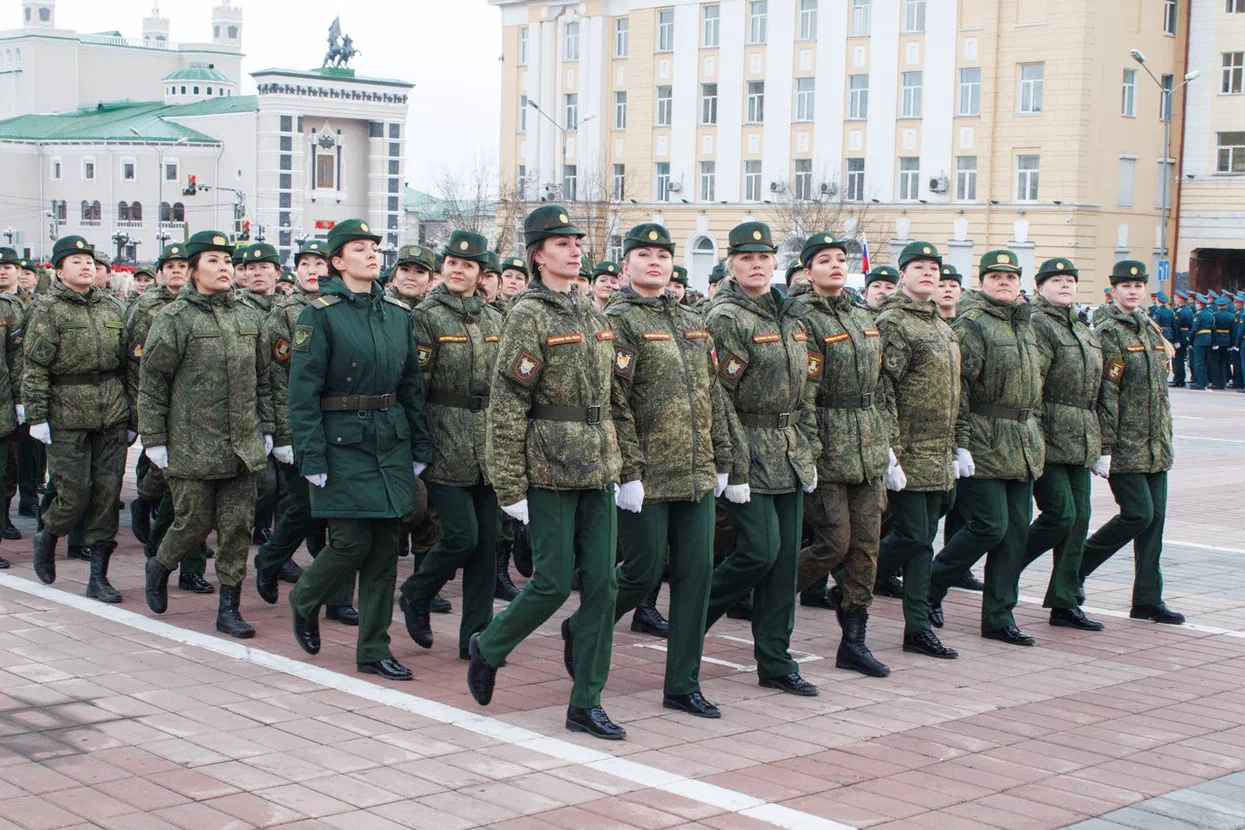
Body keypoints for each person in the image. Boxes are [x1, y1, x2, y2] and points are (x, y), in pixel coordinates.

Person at [468, 205, 624, 739]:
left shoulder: (593, 312)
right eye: (560, 243)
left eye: (576, 242)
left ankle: (586, 701)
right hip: (551, 466)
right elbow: (508, 403)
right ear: (538, 254)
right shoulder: (527, 314)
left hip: (599, 465)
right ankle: (489, 645)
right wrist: (509, 484)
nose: (574, 249)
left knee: (602, 585)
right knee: (554, 583)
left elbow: (613, 397)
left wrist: (624, 466)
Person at [563, 223, 731, 716]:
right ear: (625, 265)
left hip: (696, 470)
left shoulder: (691, 319)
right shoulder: (617, 320)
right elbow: (615, 401)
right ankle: (584, 627)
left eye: (662, 254)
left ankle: (683, 682)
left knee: (696, 576)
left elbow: (712, 393)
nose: (654, 262)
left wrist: (725, 459)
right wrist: (630, 470)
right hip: (649, 473)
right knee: (640, 572)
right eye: (644, 254)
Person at [286, 219, 431, 679]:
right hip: (341, 441)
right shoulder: (320, 314)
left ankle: (373, 648)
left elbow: (410, 385)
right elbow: (302, 392)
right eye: (359, 248)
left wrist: (419, 444)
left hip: (388, 440)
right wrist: (311, 455)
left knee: (386, 550)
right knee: (349, 543)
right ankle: (306, 597)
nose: (371, 254)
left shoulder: (395, 314)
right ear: (337, 261)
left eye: (374, 247)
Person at [703, 221, 820, 697]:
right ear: (732, 263)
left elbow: (807, 387)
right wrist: (728, 461)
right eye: (746, 257)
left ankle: (775, 660)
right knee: (758, 551)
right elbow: (718, 396)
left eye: (764, 257)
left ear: (776, 262)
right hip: (748, 448)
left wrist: (808, 447)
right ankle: (693, 617)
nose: (756, 265)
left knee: (784, 564)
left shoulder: (790, 315)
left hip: (789, 451)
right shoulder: (726, 318)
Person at [140, 231, 275, 636]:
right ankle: (160, 565)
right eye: (213, 261)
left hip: (242, 445)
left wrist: (267, 427)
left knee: (236, 529)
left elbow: (264, 379)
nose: (224, 269)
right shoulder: (174, 319)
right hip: (192, 443)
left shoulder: (248, 316)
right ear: (194, 269)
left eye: (227, 262)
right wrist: (154, 439)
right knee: (192, 524)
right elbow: (153, 381)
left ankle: (229, 608)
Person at [789, 233, 894, 679]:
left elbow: (881, 387)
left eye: (840, 259)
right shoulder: (800, 317)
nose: (835, 266)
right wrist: (807, 450)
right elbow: (804, 390)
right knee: (834, 542)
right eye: (824, 260)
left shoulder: (862, 315)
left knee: (867, 548)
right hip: (828, 448)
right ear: (807, 269)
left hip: (867, 447)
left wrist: (889, 445)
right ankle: (768, 594)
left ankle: (854, 640)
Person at [929, 249, 1045, 647]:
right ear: (981, 282)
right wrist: (960, 444)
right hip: (983, 438)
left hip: (1022, 442)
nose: (1004, 283)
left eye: (1011, 277)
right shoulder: (973, 324)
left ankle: (999, 616)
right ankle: (930, 584)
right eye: (995, 277)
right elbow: (957, 391)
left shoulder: (1026, 325)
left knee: (1014, 536)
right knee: (989, 526)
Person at [398, 230, 503, 661]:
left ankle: (475, 638)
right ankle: (415, 593)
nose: (458, 270)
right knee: (461, 537)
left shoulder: (496, 319)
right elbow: (413, 387)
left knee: (488, 544)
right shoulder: (425, 316)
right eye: (452, 264)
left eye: (468, 266)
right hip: (443, 437)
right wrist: (417, 445)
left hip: (488, 443)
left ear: (481, 275)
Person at [256, 239, 358, 623]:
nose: (313, 269)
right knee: (305, 509)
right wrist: (283, 435)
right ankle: (270, 560)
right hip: (303, 427)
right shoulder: (287, 314)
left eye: (320, 262)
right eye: (305, 263)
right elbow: (280, 381)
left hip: (344, 424)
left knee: (344, 517)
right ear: (294, 270)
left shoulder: (345, 307)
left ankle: (339, 598)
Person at [1078, 261, 1184, 624]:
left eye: (1138, 285)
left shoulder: (1150, 327)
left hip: (1156, 445)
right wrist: (1105, 447)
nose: (1133, 291)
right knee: (1138, 514)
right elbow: (1106, 395)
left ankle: (1147, 599)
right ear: (1113, 291)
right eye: (1126, 285)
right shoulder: (1108, 331)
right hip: (1125, 444)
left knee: (1154, 524)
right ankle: (1076, 568)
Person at [26, 236, 129, 599]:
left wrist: (131, 415)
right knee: (74, 494)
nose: (86, 266)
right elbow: (35, 367)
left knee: (106, 494)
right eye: (75, 261)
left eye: (89, 260)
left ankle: (98, 577)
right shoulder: (48, 309)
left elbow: (128, 364)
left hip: (112, 410)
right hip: (66, 412)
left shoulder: (113, 307)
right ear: (59, 271)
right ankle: (49, 534)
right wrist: (37, 416)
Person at [873, 242, 960, 660]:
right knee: (911, 535)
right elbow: (883, 389)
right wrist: (889, 449)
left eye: (933, 268)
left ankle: (918, 626)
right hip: (907, 449)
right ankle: (855, 574)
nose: (928, 273)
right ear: (902, 275)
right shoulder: (893, 322)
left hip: (938, 450)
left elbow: (955, 393)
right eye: (918, 267)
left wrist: (958, 444)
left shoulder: (941, 324)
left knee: (925, 539)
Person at [124, 242, 215, 593]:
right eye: (170, 265)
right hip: (170, 414)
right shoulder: (149, 309)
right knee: (176, 496)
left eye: (182, 264)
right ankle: (157, 537)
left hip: (208, 417)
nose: (176, 270)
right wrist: (146, 422)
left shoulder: (218, 304)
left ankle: (187, 566)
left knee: (187, 503)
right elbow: (139, 365)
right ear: (160, 273)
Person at [1020, 258, 1104, 631]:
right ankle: (1007, 564)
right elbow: (1032, 384)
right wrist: (1036, 432)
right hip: (1050, 434)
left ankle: (1064, 601)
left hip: (1081, 436)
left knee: (1079, 519)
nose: (1065, 285)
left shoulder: (1082, 328)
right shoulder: (1038, 324)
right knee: (1061, 515)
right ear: (1040, 288)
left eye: (1070, 279)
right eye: (1056, 280)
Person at [1190, 294, 1213, 390]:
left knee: (1198, 362)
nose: (1196, 305)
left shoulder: (1198, 315)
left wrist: (1190, 340)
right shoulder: (1210, 314)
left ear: (1200, 304)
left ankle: (1200, 383)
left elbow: (1194, 329)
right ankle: (1205, 381)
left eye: (1197, 303)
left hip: (1199, 340)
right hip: (1208, 339)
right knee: (1204, 362)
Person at [1212, 295, 1235, 389]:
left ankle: (1216, 382)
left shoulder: (1214, 315)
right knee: (1224, 362)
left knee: (1216, 362)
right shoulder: (1231, 316)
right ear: (1226, 305)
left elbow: (1213, 330)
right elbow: (1233, 331)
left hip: (1217, 340)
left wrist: (1214, 342)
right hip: (1227, 340)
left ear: (1218, 305)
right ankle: (1224, 382)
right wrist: (1232, 343)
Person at [1171, 290, 1193, 388]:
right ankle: (1181, 378)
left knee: (1177, 360)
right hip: (1185, 336)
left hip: (1179, 337)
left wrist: (1176, 340)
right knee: (1180, 359)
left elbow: (1176, 327)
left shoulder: (1179, 313)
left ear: (1181, 300)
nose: (1175, 300)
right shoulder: (1188, 310)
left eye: (1176, 298)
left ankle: (1178, 379)